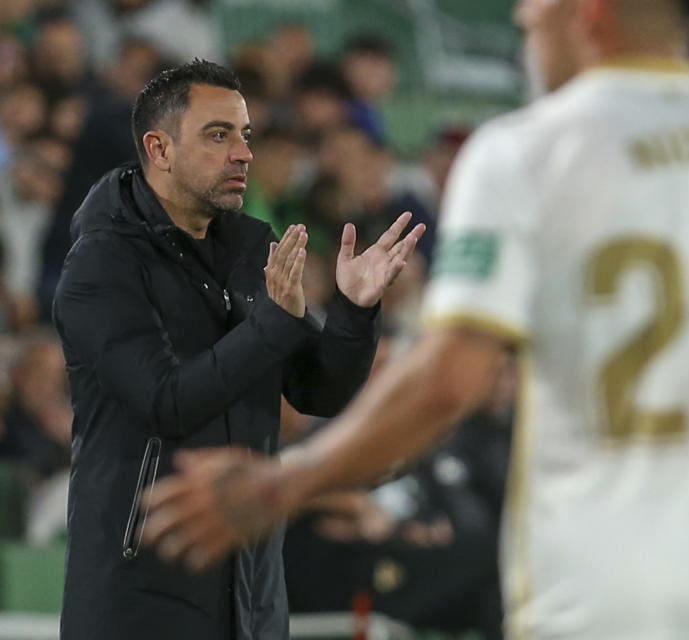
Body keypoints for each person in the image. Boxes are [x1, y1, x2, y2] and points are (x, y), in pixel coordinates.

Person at [144, 2, 689, 639]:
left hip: (596, 602)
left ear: (583, 14)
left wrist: (288, 483)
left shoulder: (528, 151)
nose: (523, 31)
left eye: (528, 19)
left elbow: (450, 377)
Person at [53, 59, 423, 640]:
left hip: (251, 591)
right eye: (218, 134)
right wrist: (275, 322)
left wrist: (353, 311)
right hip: (142, 594)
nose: (244, 153)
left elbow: (318, 391)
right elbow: (168, 401)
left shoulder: (250, 249)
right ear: (160, 148)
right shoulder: (101, 266)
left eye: (245, 135)